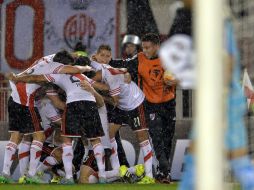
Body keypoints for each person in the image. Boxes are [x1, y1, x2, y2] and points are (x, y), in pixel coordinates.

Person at [160, 0, 254, 189]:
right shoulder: (207, 20)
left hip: (223, 99)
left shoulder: (214, 22)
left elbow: (226, 62)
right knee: (226, 159)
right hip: (220, 98)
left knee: (232, 159)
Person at [0, 51, 92, 184]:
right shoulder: (54, 67)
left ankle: (5, 174)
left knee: (17, 136)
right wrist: (87, 68)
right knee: (39, 137)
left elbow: (64, 58)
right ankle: (31, 174)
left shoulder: (47, 59)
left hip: (14, 95)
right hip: (25, 99)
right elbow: (73, 71)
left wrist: (75, 55)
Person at [109, 33, 177, 183]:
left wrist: (176, 80)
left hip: (169, 104)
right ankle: (164, 173)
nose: (144, 50)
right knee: (157, 138)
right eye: (143, 47)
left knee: (167, 139)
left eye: (148, 47)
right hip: (150, 105)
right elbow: (122, 64)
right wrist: (108, 61)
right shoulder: (139, 58)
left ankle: (162, 172)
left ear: (157, 46)